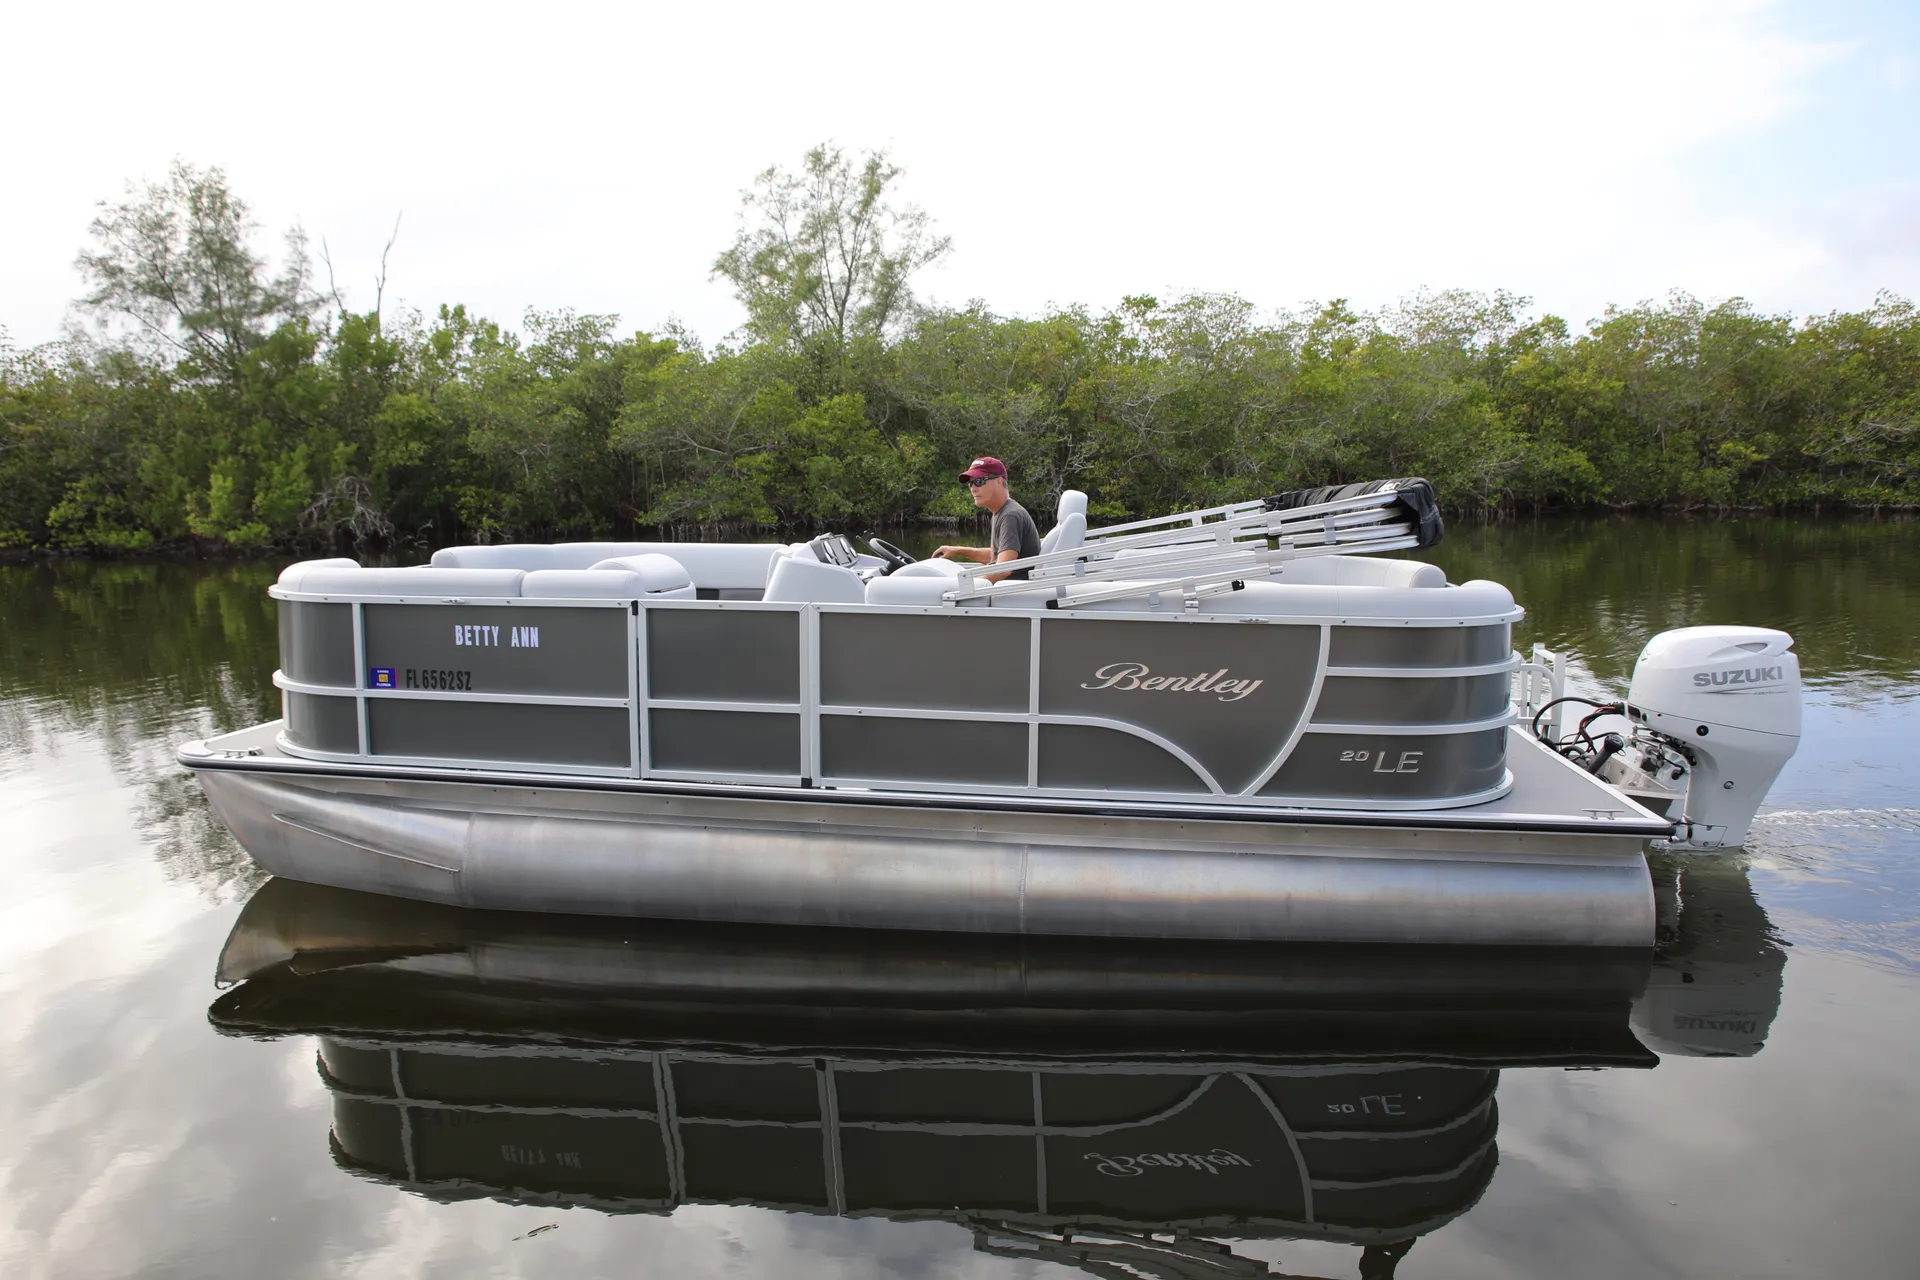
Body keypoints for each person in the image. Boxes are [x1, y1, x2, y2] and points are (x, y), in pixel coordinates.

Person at [931, 457, 1043, 582]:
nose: (973, 488)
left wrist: (969, 586)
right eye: (971, 483)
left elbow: (1003, 569)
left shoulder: (1010, 516)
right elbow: (996, 556)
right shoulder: (1001, 512)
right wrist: (958, 550)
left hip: (1010, 594)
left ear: (999, 481)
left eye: (979, 481)